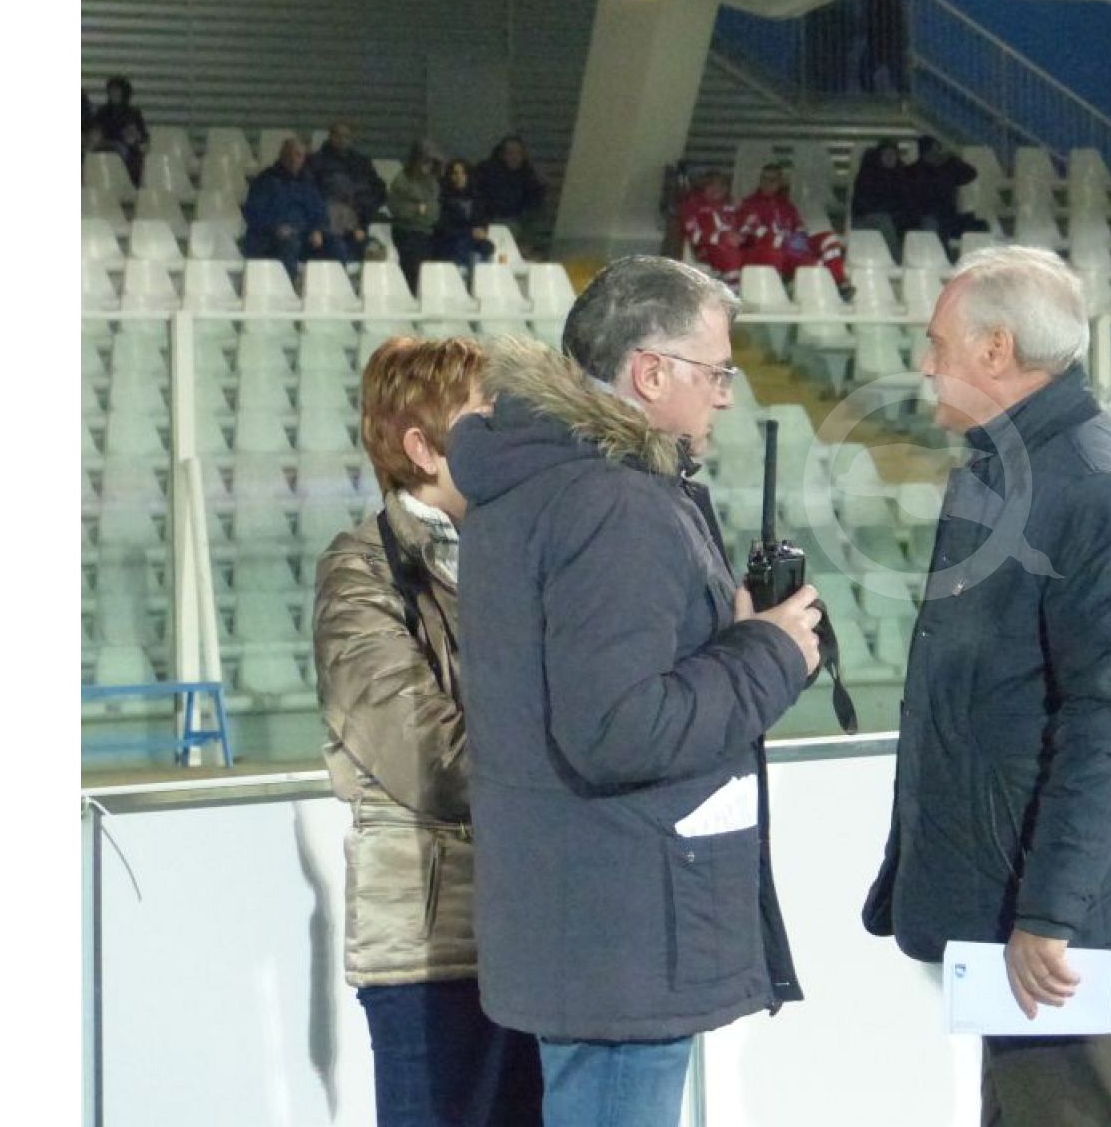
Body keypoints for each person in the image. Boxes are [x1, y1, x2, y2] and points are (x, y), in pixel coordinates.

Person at [447, 257, 825, 1126]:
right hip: (622, 926)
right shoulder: (613, 501)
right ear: (650, 373)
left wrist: (737, 641)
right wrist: (771, 654)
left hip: (591, 914)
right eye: (715, 372)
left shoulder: (549, 483)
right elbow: (621, 728)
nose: (724, 395)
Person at [862, 245, 1111, 1125]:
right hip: (1013, 900)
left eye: (937, 343)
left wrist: (1050, 914)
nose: (924, 363)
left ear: (995, 349)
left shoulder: (1097, 491)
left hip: (1055, 925)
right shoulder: (1008, 469)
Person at [313, 335, 544, 1127]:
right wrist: (572, 763)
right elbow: (431, 761)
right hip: (430, 950)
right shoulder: (360, 570)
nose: (509, 441)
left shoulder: (516, 555)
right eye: (487, 421)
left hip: (533, 935)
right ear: (422, 448)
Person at [737, 162, 850, 295]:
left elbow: (798, 227)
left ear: (780, 182)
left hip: (791, 250)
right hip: (770, 253)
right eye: (764, 179)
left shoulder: (786, 204)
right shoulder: (749, 204)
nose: (768, 183)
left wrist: (801, 238)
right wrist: (785, 242)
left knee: (828, 238)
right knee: (813, 264)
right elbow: (756, 232)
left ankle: (840, 281)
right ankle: (823, 282)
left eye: (773, 180)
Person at [242, 138, 341, 279]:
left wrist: (318, 229)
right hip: (270, 240)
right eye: (290, 154)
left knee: (335, 246)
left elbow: (320, 212)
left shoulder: (307, 182)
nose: (294, 159)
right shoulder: (266, 180)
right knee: (290, 243)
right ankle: (288, 287)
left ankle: (334, 286)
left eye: (299, 155)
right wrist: (276, 227)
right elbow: (253, 213)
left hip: (304, 237)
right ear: (282, 155)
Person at [904, 135, 987, 253]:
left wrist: (954, 160)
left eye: (937, 149)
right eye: (933, 150)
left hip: (948, 215)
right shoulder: (914, 171)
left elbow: (971, 174)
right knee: (932, 224)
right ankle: (940, 255)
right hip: (925, 215)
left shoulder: (949, 167)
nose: (937, 153)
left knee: (978, 225)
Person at [388, 140, 445, 294]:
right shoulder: (402, 180)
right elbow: (397, 209)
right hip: (407, 231)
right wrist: (417, 209)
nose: (428, 166)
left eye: (431, 162)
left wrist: (423, 210)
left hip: (427, 232)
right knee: (414, 268)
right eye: (425, 161)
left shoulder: (433, 182)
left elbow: (433, 212)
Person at [309, 122, 389, 230]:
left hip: (362, 209)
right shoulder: (317, 161)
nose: (342, 140)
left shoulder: (361, 161)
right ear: (330, 137)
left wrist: (368, 203)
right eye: (338, 136)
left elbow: (377, 186)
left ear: (351, 139)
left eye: (346, 136)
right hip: (333, 210)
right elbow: (312, 188)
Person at [849, 140, 917, 263]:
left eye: (893, 154)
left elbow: (907, 202)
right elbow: (863, 204)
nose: (890, 158)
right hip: (867, 218)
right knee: (884, 220)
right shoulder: (868, 175)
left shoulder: (901, 175)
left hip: (894, 218)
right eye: (887, 154)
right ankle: (895, 261)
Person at [678, 171, 749, 287]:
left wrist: (742, 236)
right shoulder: (694, 206)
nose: (717, 189)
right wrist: (721, 237)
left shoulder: (733, 205)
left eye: (722, 185)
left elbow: (749, 225)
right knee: (730, 253)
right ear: (704, 187)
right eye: (712, 185)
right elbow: (693, 234)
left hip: (737, 247)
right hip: (707, 248)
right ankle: (731, 289)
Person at [473, 136, 547, 243]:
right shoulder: (487, 172)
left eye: (519, 153)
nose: (515, 157)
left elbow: (533, 203)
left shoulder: (528, 176)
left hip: (516, 221)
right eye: (510, 153)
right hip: (489, 219)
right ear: (502, 155)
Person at [435, 159, 497, 274]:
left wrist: (482, 231)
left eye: (463, 173)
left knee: (487, 247)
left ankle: (482, 277)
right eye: (455, 173)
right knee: (461, 244)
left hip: (472, 241)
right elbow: (443, 227)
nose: (459, 177)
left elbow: (483, 220)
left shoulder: (477, 198)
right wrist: (469, 232)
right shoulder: (442, 199)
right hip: (451, 242)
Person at [93, 76, 150, 186]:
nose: (114, 94)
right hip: (105, 147)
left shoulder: (133, 113)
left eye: (117, 91)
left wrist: (136, 137)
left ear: (124, 93)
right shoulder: (102, 112)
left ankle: (131, 182)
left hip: (127, 148)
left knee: (131, 153)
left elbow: (143, 137)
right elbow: (95, 132)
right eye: (112, 91)